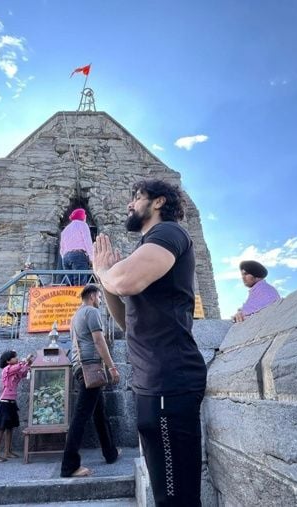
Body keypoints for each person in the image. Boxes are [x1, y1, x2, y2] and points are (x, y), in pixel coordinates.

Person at [93, 179, 206, 506]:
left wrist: (106, 273)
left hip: (170, 383)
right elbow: (127, 323)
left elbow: (126, 280)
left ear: (158, 202)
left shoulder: (169, 233)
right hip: (150, 385)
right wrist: (107, 282)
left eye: (136, 197)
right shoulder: (147, 247)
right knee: (164, 495)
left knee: (176, 499)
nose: (129, 204)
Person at [60, 284, 121, 478]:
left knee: (99, 413)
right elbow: (99, 341)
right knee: (81, 416)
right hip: (91, 367)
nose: (101, 301)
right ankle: (69, 466)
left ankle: (110, 453)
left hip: (81, 366)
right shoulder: (92, 312)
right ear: (93, 296)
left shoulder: (76, 316)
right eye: (100, 297)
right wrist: (111, 367)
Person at [0, 350, 34, 462]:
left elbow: (23, 372)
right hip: (5, 402)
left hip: (11, 402)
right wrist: (25, 361)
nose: (16, 358)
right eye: (14, 357)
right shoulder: (7, 369)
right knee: (1, 429)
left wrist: (28, 364)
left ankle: (7, 452)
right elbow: (18, 368)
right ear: (8, 361)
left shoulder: (14, 370)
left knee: (10, 428)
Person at [60, 208, 94, 286]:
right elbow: (87, 241)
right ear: (82, 216)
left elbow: (62, 249)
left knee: (70, 284)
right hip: (78, 256)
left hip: (65, 258)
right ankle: (80, 298)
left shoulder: (65, 229)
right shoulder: (82, 225)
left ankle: (69, 298)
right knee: (79, 284)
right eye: (84, 215)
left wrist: (65, 257)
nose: (85, 217)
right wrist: (92, 258)